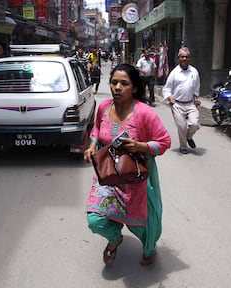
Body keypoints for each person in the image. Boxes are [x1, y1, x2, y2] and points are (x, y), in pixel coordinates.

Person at [83, 64, 171, 266]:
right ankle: (115, 239)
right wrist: (92, 145)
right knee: (95, 221)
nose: (117, 87)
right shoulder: (104, 107)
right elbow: (97, 129)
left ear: (135, 88)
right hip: (107, 176)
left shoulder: (145, 113)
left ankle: (149, 248)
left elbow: (164, 142)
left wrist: (140, 146)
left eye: (124, 83)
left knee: (142, 226)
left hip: (135, 179)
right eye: (114, 82)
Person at [162, 46, 200, 154]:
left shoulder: (194, 71)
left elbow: (196, 87)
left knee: (194, 124)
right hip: (177, 104)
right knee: (182, 126)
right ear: (178, 58)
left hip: (190, 103)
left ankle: (188, 137)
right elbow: (167, 89)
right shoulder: (174, 73)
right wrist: (170, 99)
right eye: (182, 57)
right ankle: (183, 147)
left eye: (187, 57)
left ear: (189, 58)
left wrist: (196, 98)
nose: (184, 59)